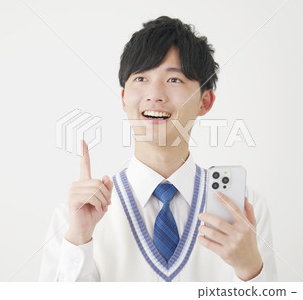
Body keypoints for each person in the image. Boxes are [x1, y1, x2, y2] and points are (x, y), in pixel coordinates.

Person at [39, 16, 277, 282]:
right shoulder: (75, 215)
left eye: (174, 80)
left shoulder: (244, 211)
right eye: (141, 78)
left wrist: (249, 270)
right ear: (123, 97)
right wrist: (79, 239)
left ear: (205, 101)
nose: (155, 94)